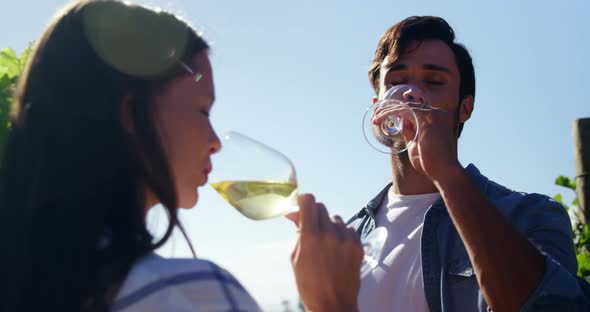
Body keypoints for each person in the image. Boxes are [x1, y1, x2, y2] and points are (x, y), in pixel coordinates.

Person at [0, 1, 362, 311]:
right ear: (131, 114)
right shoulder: (189, 295)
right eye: (204, 111)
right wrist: (333, 301)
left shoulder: (27, 277)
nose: (215, 142)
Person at [347, 16, 590, 311]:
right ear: (377, 109)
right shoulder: (349, 239)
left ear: (465, 108)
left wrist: (447, 174)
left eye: (434, 81)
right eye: (396, 81)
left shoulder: (531, 216)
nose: (410, 93)